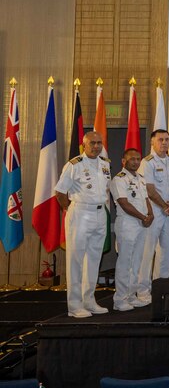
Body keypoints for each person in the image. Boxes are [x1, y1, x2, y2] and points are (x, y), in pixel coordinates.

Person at [54, 132, 112, 318]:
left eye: (99, 143)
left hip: (100, 213)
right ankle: (74, 305)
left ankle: (89, 300)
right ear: (84, 145)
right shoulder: (74, 165)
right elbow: (60, 192)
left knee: (94, 259)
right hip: (80, 212)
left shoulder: (105, 164)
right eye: (92, 143)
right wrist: (70, 210)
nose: (96, 146)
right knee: (76, 260)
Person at [138, 129, 169, 304]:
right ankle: (142, 290)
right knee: (147, 251)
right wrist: (165, 206)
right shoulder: (146, 163)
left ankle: (160, 288)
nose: (164, 143)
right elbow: (149, 189)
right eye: (160, 139)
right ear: (152, 142)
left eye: (167, 140)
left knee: (165, 250)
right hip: (154, 210)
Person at [110, 148, 153, 311]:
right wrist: (143, 217)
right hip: (128, 223)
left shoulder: (141, 178)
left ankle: (131, 295)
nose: (135, 162)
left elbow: (146, 199)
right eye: (132, 159)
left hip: (142, 224)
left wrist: (150, 214)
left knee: (136, 262)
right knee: (125, 262)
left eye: (138, 159)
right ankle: (119, 299)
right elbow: (123, 203)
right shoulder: (119, 179)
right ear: (123, 161)